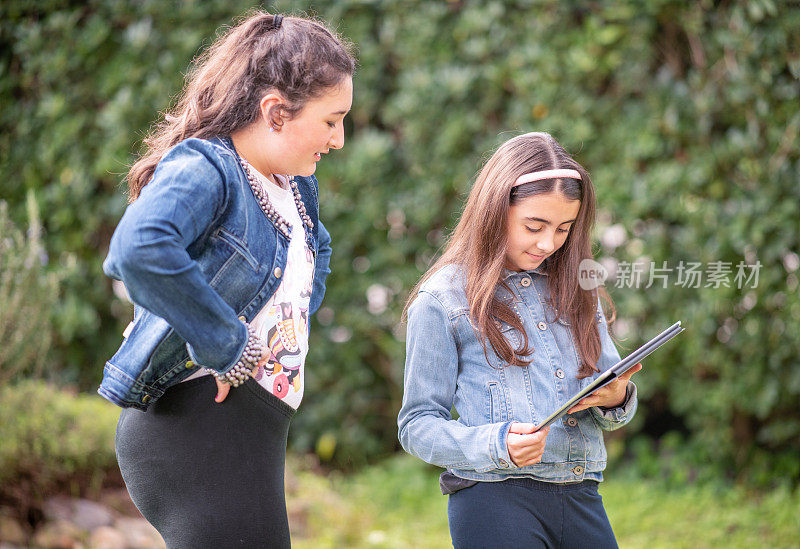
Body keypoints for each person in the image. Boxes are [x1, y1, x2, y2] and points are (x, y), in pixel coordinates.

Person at [98, 11, 354, 548]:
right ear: (276, 112)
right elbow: (139, 249)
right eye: (331, 120)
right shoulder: (209, 168)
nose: (340, 139)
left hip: (248, 428)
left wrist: (284, 336)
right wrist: (226, 344)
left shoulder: (292, 188)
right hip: (199, 428)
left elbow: (316, 252)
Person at [397, 132, 641, 548]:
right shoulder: (443, 299)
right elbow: (416, 425)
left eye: (564, 228)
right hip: (494, 499)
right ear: (495, 211)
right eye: (534, 225)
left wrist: (615, 397)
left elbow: (609, 399)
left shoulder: (577, 287)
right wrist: (497, 444)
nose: (548, 243)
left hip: (581, 492)